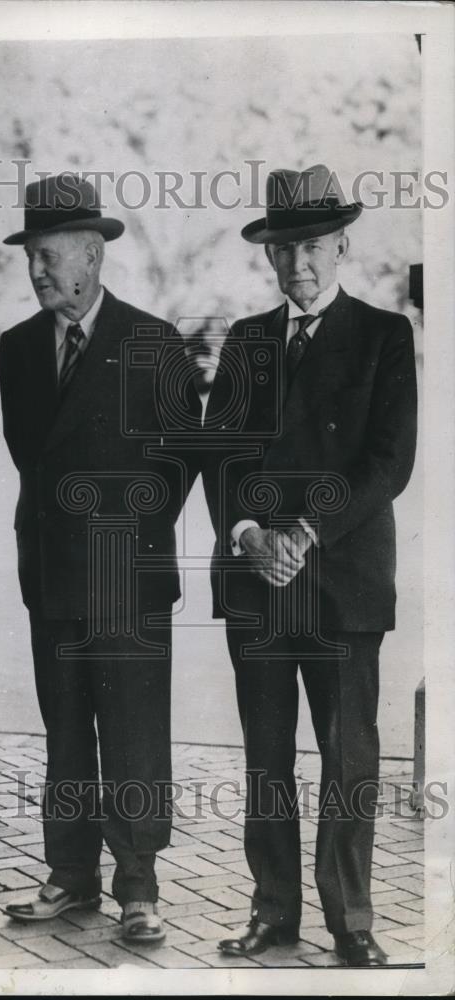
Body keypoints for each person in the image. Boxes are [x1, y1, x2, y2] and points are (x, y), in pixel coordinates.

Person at [203, 164, 417, 967]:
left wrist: (305, 532)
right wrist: (253, 532)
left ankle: (351, 921)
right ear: (269, 257)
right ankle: (274, 913)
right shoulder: (247, 341)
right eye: (285, 249)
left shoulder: (384, 336)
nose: (300, 264)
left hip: (342, 582)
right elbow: (220, 458)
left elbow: (389, 462)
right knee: (266, 757)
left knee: (347, 756)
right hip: (258, 583)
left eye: (315, 247)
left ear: (342, 246)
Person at [0, 174, 201, 943]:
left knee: (134, 731)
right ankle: (71, 876)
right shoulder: (17, 349)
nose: (39, 271)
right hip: (51, 572)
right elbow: (31, 457)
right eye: (31, 259)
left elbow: (183, 460)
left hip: (130, 573)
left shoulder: (154, 341)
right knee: (66, 734)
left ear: (92, 253)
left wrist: (128, 532)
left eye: (50, 256)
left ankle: (139, 889)